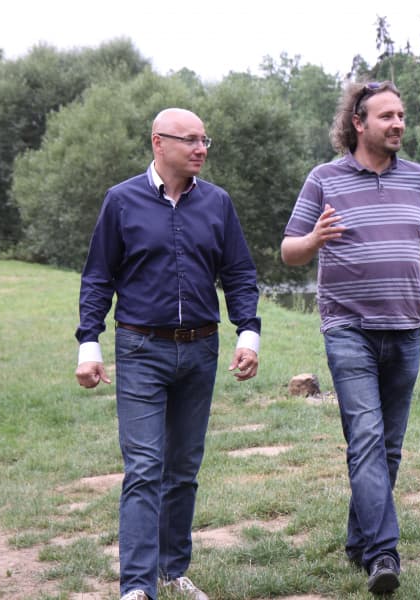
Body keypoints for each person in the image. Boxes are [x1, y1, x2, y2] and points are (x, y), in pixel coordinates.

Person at [75, 108, 262, 600]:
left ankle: (172, 570)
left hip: (201, 350)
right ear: (158, 142)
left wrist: (248, 333)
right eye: (190, 140)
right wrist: (89, 343)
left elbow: (239, 273)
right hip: (141, 349)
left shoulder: (218, 203)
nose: (201, 149)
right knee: (144, 468)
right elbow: (98, 277)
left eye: (205, 140)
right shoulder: (121, 201)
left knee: (182, 470)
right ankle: (137, 587)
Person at [281, 81, 420, 595]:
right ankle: (383, 553)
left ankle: (360, 540)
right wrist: (315, 239)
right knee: (367, 438)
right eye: (387, 116)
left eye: (401, 115)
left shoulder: (418, 178)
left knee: (387, 446)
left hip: (405, 329)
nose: (398, 124)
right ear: (358, 122)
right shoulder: (324, 179)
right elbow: (289, 251)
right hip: (348, 328)